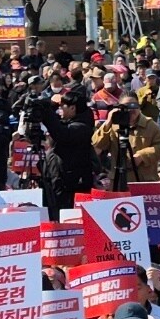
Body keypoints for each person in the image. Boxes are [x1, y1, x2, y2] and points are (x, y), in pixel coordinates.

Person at [39, 86, 96, 221]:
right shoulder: (68, 122)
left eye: (63, 106)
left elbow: (62, 134)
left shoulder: (82, 127)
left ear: (73, 108)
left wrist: (47, 113)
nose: (60, 109)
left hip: (72, 184)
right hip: (57, 179)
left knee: (67, 219)